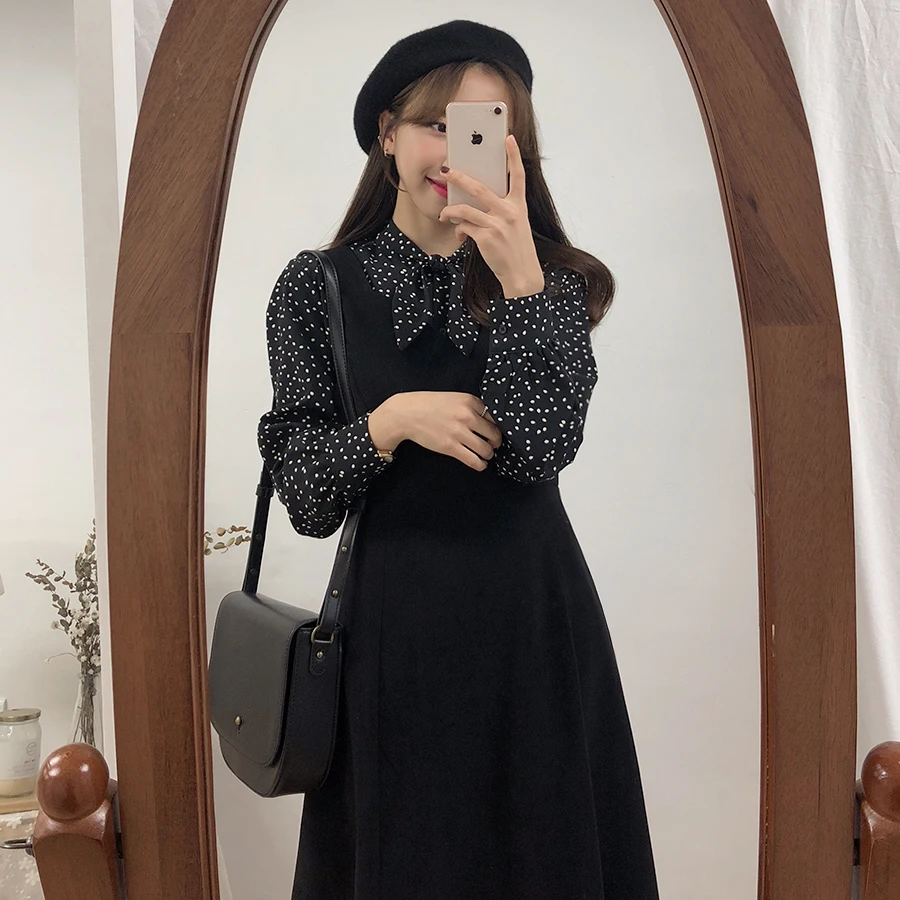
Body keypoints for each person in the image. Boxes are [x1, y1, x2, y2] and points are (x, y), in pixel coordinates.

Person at [257, 18, 660, 900]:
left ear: (512, 148)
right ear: (387, 134)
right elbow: (303, 493)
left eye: (482, 129)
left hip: (533, 622)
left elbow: (543, 448)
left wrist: (520, 282)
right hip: (394, 633)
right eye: (438, 124)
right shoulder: (318, 285)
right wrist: (389, 422)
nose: (454, 150)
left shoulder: (546, 281)